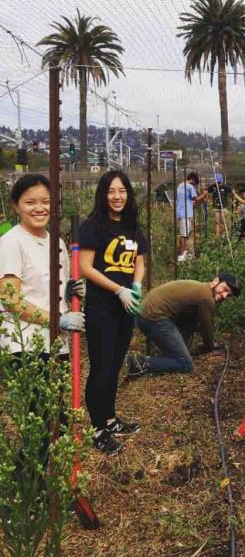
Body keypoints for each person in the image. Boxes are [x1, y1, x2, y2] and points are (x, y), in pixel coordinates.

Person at [79, 171, 147, 455]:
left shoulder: (132, 227)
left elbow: (140, 261)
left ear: (128, 194)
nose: (117, 196)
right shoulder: (93, 226)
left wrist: (135, 286)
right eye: (111, 191)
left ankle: (110, 418)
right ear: (103, 195)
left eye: (122, 191)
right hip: (102, 307)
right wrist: (116, 290)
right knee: (101, 367)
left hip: (125, 308)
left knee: (116, 363)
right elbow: (85, 267)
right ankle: (97, 428)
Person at [0, 174, 85, 358]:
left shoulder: (57, 243)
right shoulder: (12, 242)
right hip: (25, 344)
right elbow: (10, 299)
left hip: (57, 343)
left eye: (46, 201)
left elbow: (49, 291)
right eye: (30, 202)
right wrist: (57, 320)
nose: (39, 208)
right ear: (16, 206)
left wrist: (68, 294)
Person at [132, 273, 240, 374]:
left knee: (191, 321)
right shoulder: (206, 297)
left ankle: (170, 355)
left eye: (228, 295)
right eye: (225, 289)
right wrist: (210, 347)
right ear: (216, 281)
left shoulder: (202, 289)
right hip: (152, 317)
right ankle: (138, 362)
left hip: (147, 313)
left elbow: (195, 323)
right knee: (185, 364)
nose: (225, 296)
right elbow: (207, 328)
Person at [176, 171, 201, 262]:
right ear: (193, 180)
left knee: (184, 234)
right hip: (185, 213)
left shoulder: (180, 185)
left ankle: (184, 253)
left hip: (181, 212)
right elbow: (196, 199)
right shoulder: (190, 187)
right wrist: (204, 195)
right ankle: (182, 255)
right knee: (184, 235)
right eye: (195, 183)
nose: (195, 185)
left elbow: (189, 201)